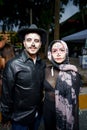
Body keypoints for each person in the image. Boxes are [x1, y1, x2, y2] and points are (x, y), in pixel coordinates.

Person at [1, 24, 47, 130]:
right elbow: (6, 95)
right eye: (29, 40)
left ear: (40, 44)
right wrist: (6, 117)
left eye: (36, 41)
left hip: (37, 116)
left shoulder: (42, 64)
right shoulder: (13, 64)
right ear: (24, 43)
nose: (33, 44)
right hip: (19, 119)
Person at [43, 40, 82, 130]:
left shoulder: (74, 74)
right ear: (50, 54)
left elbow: (75, 104)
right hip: (49, 114)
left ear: (66, 52)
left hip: (67, 116)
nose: (58, 53)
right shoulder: (45, 71)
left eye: (62, 50)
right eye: (54, 51)